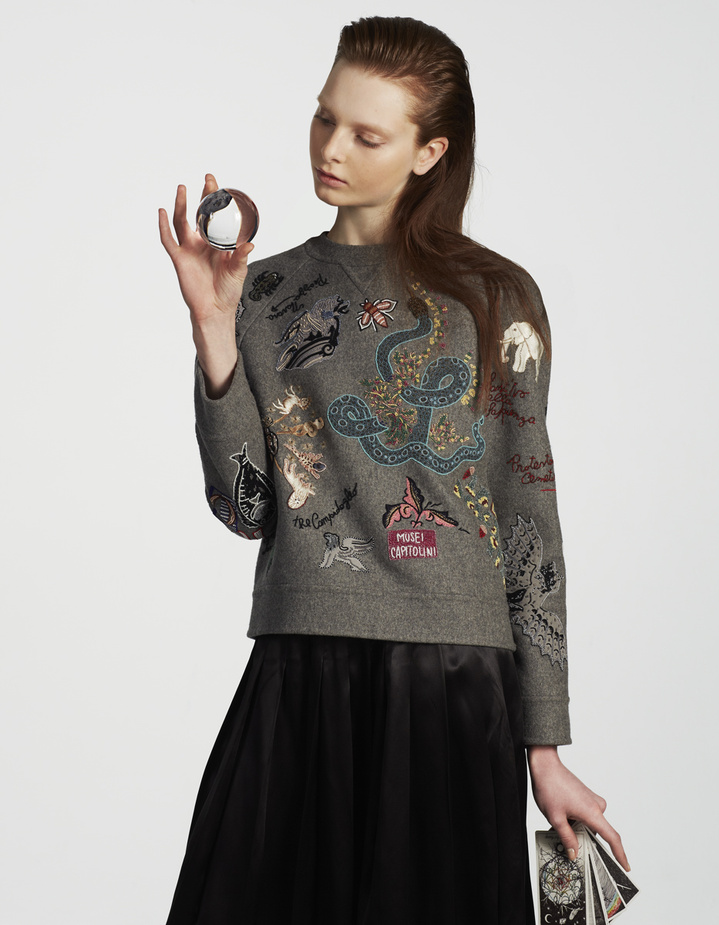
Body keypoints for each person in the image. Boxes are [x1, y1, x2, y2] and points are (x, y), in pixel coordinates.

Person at [158, 15, 628, 925]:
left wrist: (545, 743)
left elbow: (526, 515)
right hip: (300, 670)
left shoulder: (495, 298)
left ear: (429, 152)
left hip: (452, 686)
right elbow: (246, 507)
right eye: (324, 117)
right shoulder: (264, 290)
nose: (331, 148)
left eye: (367, 135)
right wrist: (213, 328)